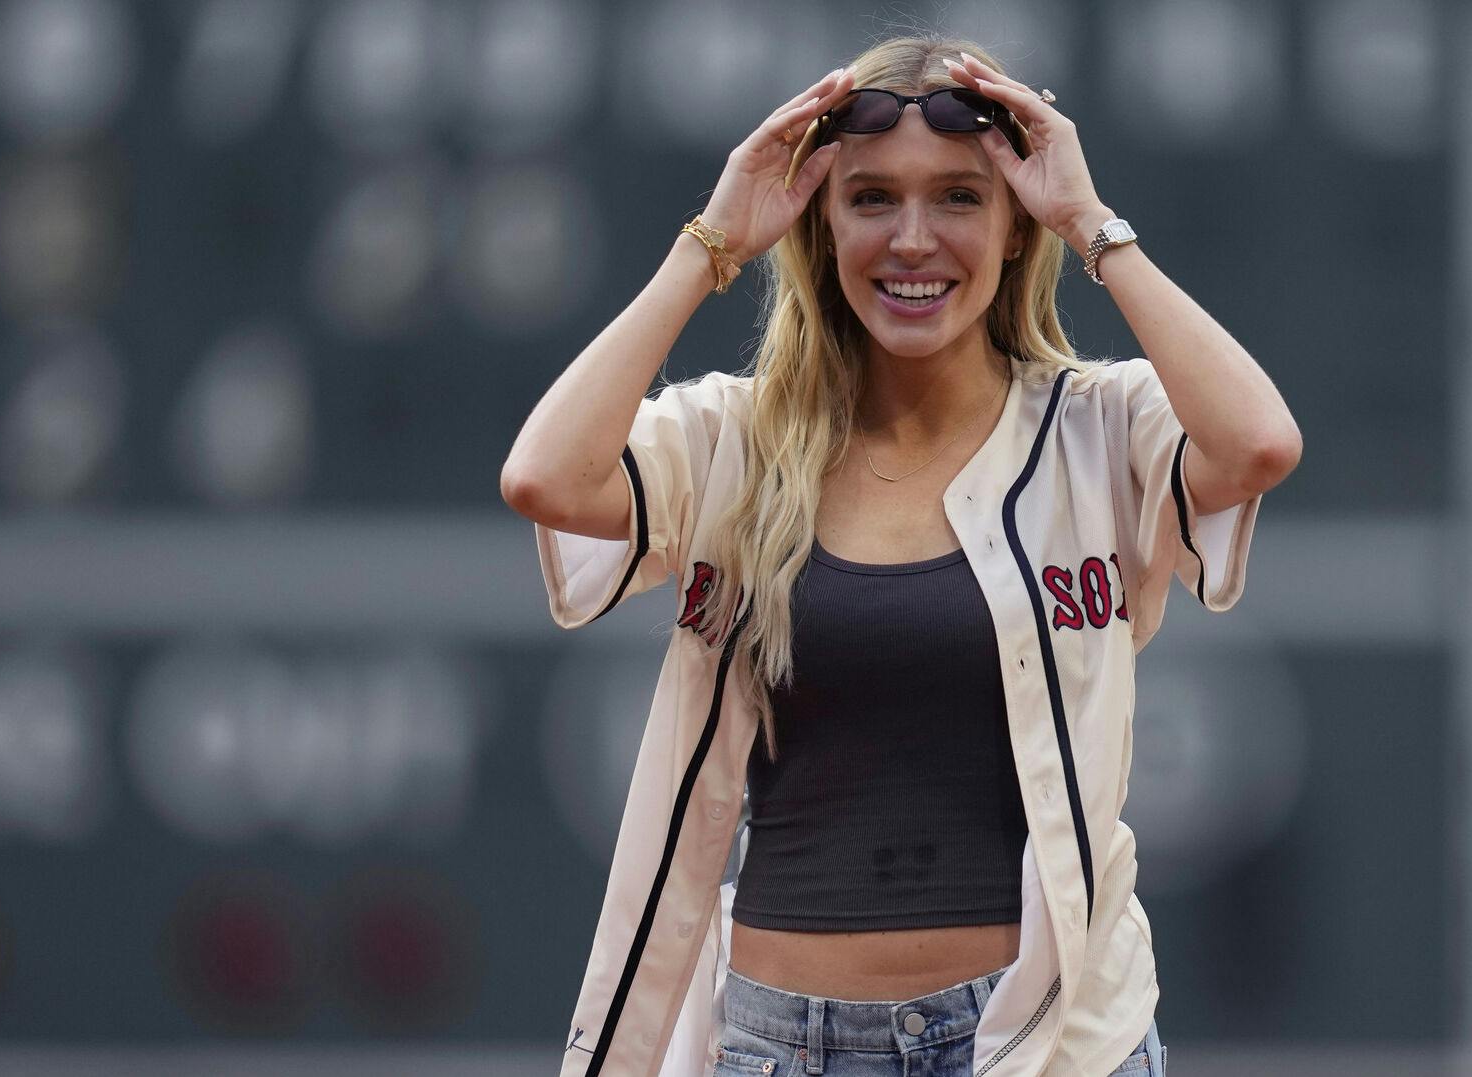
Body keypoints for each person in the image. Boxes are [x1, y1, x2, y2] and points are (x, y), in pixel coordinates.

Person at [502, 32, 1301, 1077]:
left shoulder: (1096, 429)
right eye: (871, 198)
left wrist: (1092, 224)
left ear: (1016, 227)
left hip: (1052, 1040)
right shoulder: (738, 440)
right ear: (820, 223)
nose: (913, 240)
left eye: (961, 199)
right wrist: (711, 242)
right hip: (786, 1042)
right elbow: (545, 479)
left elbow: (1259, 443)